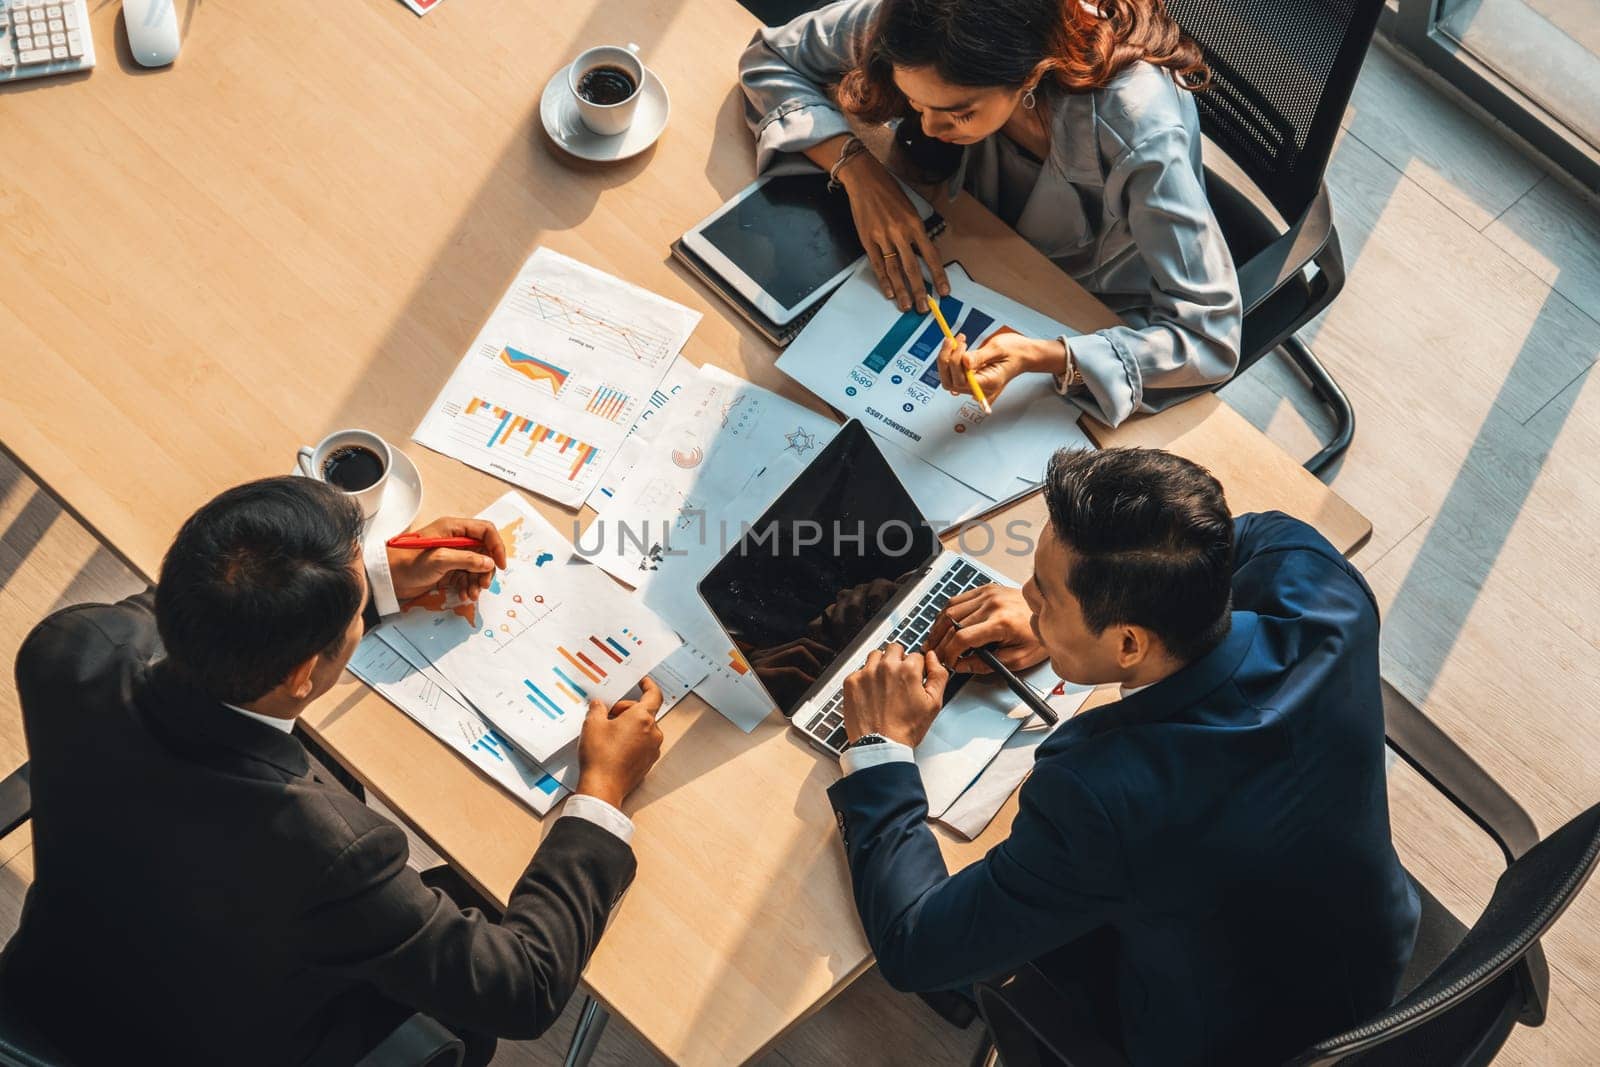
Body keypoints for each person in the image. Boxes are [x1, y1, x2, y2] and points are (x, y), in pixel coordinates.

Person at [0, 476, 664, 1067]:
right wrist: (600, 791)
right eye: (352, 613)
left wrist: (368, 581)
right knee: (473, 889)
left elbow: (192, 612)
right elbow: (525, 987)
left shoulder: (73, 646)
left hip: (55, 987)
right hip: (220, 1042)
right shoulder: (329, 850)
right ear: (301, 674)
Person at [832, 448, 1420, 1064]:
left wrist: (880, 747)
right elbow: (1216, 548)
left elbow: (915, 947)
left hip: (1234, 1040)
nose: (1025, 596)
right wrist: (1064, 630)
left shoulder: (1105, 800)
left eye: (1046, 595)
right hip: (1365, 945)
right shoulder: (1316, 582)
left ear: (1131, 642)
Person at [739, 0, 1243, 429]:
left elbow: (1211, 336)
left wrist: (1044, 355)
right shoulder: (924, 26)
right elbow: (769, 57)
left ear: (1030, 73)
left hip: (1089, 303)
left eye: (959, 113)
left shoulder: (1138, 127)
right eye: (915, 103)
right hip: (975, 243)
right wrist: (857, 171)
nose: (930, 128)